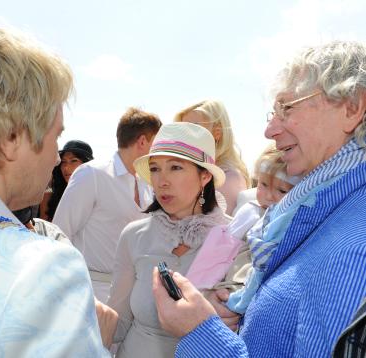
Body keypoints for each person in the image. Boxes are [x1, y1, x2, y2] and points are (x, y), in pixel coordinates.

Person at [153, 40, 366, 357]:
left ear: (351, 109)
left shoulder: (353, 248)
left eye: (287, 108)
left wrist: (200, 331)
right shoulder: (322, 208)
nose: (269, 130)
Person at [0, 27, 114, 356]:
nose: (55, 157)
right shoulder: (42, 271)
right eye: (55, 136)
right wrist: (99, 344)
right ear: (11, 137)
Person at [107, 122, 232, 357]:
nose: (161, 181)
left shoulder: (233, 238)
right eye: (155, 169)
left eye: (175, 168)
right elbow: (117, 322)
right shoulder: (134, 235)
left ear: (204, 176)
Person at [53, 107, 162, 303]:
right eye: (158, 143)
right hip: (90, 295)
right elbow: (58, 233)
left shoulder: (147, 182)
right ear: (143, 141)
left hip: (134, 296)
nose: (160, 150)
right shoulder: (92, 174)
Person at [186, 144, 300, 293]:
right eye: (263, 185)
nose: (268, 196)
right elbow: (222, 248)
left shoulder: (295, 219)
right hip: (233, 285)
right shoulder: (251, 212)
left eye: (282, 190)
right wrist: (201, 286)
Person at [175, 100, 250, 214]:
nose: (186, 136)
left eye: (194, 128)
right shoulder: (193, 170)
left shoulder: (229, 178)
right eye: (183, 130)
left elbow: (219, 228)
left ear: (217, 132)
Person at [39, 139, 94, 221]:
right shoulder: (48, 196)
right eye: (63, 162)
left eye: (74, 161)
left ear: (87, 164)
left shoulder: (97, 195)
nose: (66, 167)